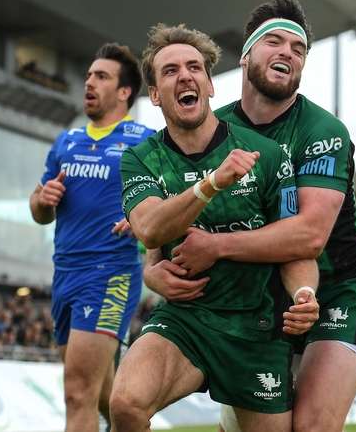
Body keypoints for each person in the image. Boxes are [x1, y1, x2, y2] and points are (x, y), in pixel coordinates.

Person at [143, 0, 356, 432]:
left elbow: (309, 236)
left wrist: (216, 247)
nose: (287, 53)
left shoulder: (322, 130)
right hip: (260, 290)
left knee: (311, 424)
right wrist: (153, 267)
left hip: (341, 288)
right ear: (245, 55)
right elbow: (174, 211)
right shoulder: (209, 126)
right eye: (274, 42)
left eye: (298, 50)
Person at [109, 24, 320, 432]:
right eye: (170, 71)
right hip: (185, 321)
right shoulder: (140, 160)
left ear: (209, 84)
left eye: (194, 68)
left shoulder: (268, 155)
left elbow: (296, 248)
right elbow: (150, 229)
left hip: (256, 329)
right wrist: (209, 185)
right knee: (126, 402)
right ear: (153, 94)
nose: (185, 76)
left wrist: (305, 293)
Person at [29, 42, 155, 431]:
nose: (89, 81)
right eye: (88, 75)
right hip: (64, 274)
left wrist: (146, 219)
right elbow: (39, 212)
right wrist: (43, 199)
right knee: (104, 396)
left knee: (77, 393)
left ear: (124, 92)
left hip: (110, 271)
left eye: (101, 76)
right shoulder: (67, 142)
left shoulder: (144, 140)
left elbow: (175, 201)